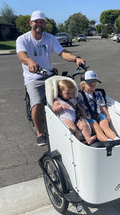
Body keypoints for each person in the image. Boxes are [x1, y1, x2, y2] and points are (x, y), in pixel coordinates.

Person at [16, 10, 85, 146]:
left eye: (42, 22)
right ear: (31, 23)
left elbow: (63, 52)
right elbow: (22, 55)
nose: (39, 24)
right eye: (36, 22)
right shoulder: (22, 39)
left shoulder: (50, 38)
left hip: (49, 75)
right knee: (37, 104)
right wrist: (29, 62)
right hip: (33, 78)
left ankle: (67, 122)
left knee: (66, 95)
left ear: (45, 24)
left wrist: (76, 58)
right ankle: (40, 133)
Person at [77, 70, 119, 141]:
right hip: (88, 117)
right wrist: (82, 113)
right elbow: (76, 104)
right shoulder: (80, 95)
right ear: (83, 85)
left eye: (94, 85)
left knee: (105, 126)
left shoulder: (97, 94)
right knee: (97, 128)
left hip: (99, 114)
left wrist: (107, 115)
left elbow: (102, 106)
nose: (93, 88)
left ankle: (115, 139)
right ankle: (107, 141)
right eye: (90, 85)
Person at [52, 79, 97, 145]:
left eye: (72, 93)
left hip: (76, 117)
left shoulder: (73, 99)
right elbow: (54, 109)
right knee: (73, 129)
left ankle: (88, 139)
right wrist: (60, 106)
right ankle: (78, 143)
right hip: (66, 118)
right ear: (60, 92)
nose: (70, 95)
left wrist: (84, 114)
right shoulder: (58, 100)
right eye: (67, 94)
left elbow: (79, 107)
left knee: (84, 125)